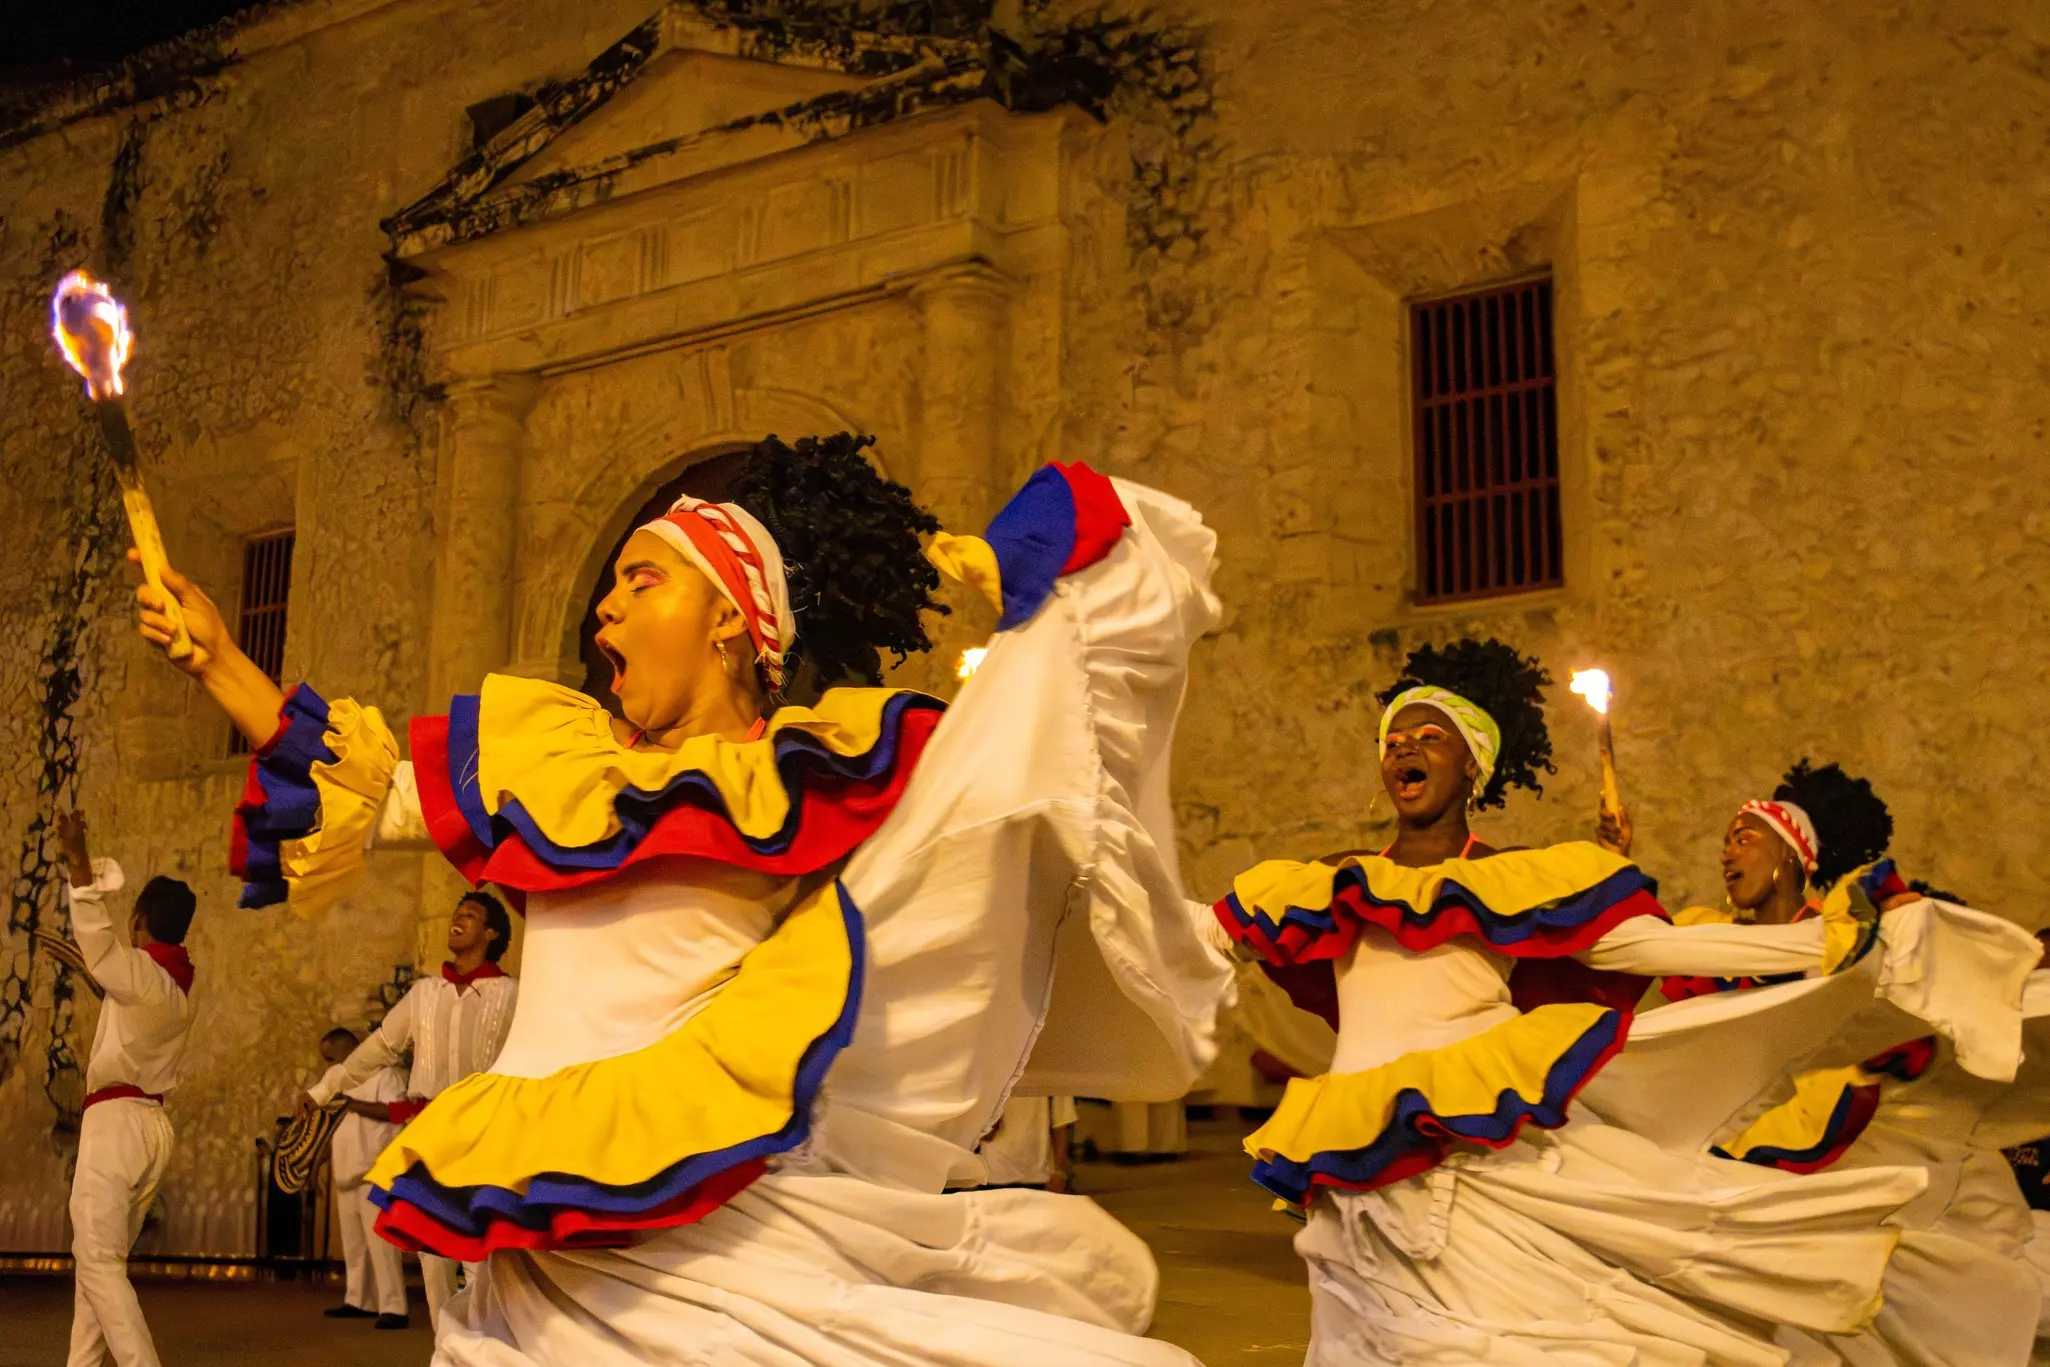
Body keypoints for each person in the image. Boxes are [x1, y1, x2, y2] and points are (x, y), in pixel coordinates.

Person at [132, 434, 1230, 1367]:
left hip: (715, 1216)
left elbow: (988, 796)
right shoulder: (558, 765)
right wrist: (222, 658)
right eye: (605, 590)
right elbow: (368, 791)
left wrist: (1038, 570)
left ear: (728, 618)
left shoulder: (818, 769)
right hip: (534, 1203)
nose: (605, 609)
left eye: (640, 582)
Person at [1204, 639, 2020, 1366]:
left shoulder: (1517, 881)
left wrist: (1839, 943)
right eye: (1395, 740)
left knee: (1492, 1336)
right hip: (1354, 1141)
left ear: (1472, 769)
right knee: (1358, 1336)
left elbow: (1659, 949)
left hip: (1473, 1136)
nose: (1406, 750)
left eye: (1431, 738)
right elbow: (1202, 937)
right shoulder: (1332, 880)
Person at [302, 892, 517, 1331]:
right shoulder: (424, 993)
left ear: (491, 933)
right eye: (456, 913)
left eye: (470, 916)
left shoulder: (511, 994)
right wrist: (324, 1088)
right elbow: (379, 1048)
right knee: (431, 1254)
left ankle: (485, 1349)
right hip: (428, 1132)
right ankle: (446, 1350)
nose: (458, 919)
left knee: (479, 1252)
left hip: (484, 1132)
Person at [57, 809, 197, 1367]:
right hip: (150, 1129)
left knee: (96, 1263)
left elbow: (99, 944)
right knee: (97, 1264)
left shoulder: (139, 973)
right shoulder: (177, 986)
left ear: (139, 921)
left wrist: (77, 863)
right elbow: (122, 993)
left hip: (115, 1128)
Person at [314, 1025, 411, 1329]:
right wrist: (317, 1164)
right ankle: (360, 1300)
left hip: (374, 1169)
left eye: (332, 1058)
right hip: (346, 1170)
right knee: (354, 1245)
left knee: (381, 1246)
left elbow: (399, 1112)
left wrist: (350, 1104)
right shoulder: (339, 1083)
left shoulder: (386, 1074)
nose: (330, 1066)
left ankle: (394, 1307)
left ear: (352, 1049)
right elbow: (330, 1128)